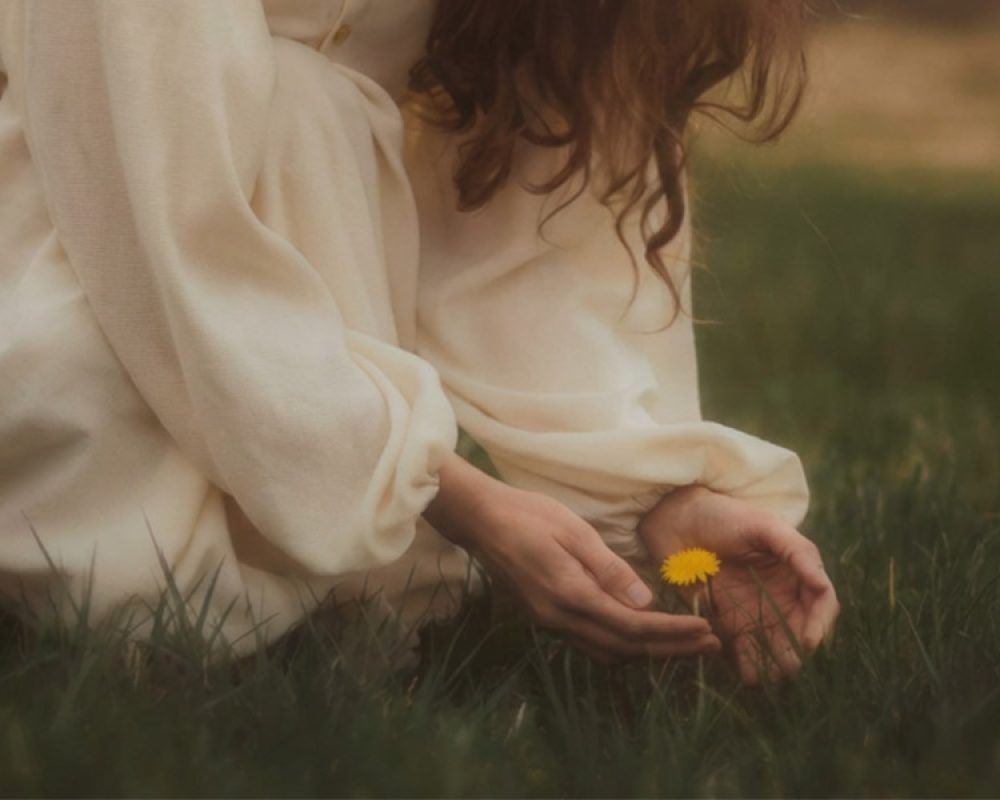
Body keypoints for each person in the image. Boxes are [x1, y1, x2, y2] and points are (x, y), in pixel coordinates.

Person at [0, 0, 838, 684]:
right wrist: (452, 494)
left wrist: (659, 497)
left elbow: (527, 233)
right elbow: (157, 218)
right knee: (127, 589)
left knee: (296, 636)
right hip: (90, 217)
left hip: (310, 288)